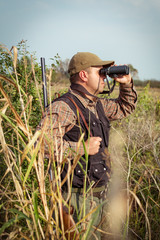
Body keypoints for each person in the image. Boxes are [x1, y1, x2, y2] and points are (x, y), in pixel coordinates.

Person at [37, 52, 137, 239]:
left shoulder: (97, 104)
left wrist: (126, 85)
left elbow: (125, 107)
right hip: (76, 199)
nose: (105, 77)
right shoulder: (63, 107)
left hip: (101, 194)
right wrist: (80, 148)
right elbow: (41, 144)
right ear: (83, 75)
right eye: (100, 72)